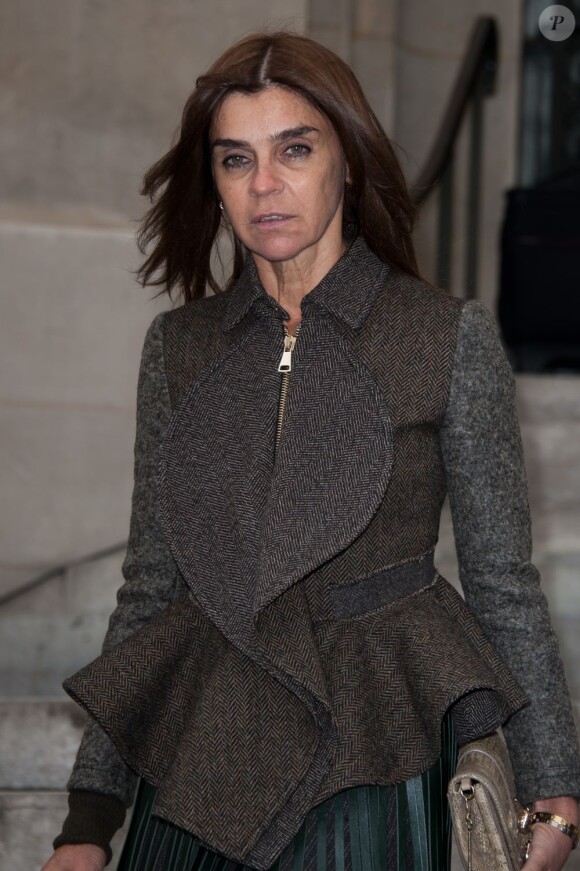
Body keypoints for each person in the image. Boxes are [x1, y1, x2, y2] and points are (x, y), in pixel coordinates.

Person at [42, 30, 579, 871]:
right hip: (207, 761)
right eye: (234, 160)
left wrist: (553, 778)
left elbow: (502, 581)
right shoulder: (181, 349)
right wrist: (87, 819)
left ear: (350, 164)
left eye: (295, 149)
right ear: (213, 185)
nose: (265, 185)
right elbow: (152, 589)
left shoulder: (443, 338)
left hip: (374, 758)